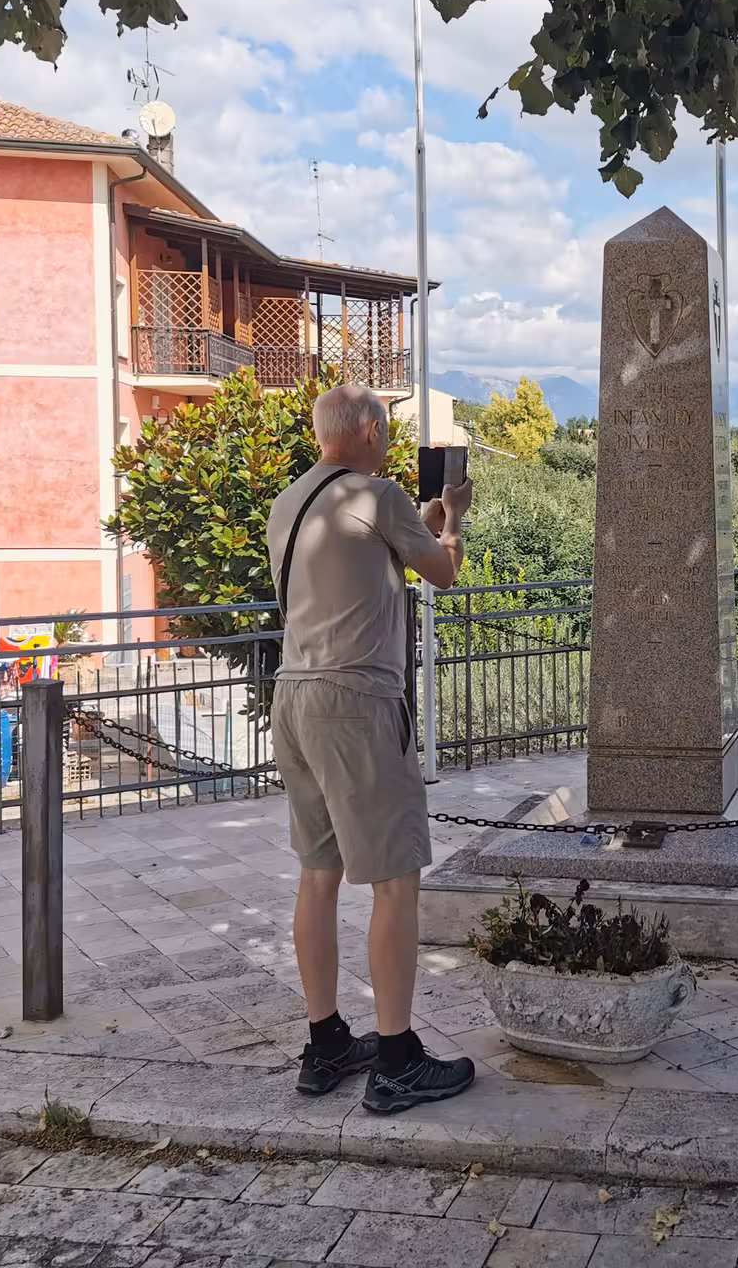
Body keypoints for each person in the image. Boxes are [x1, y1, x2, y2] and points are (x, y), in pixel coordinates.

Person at [266, 383, 475, 1114]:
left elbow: (357, 563)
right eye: (383, 431)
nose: (388, 444)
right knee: (396, 881)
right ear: (360, 433)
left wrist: (423, 521)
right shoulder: (378, 494)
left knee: (317, 875)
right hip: (357, 702)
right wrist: (455, 525)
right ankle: (396, 1060)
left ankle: (325, 1044)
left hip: (293, 698)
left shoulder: (290, 502)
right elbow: (442, 571)